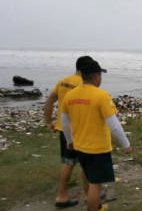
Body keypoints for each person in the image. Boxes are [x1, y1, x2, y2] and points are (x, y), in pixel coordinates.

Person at [60, 59, 132, 211]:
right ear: (97, 76)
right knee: (95, 184)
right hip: (98, 148)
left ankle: (95, 204)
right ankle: (95, 208)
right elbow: (114, 125)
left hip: (80, 146)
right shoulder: (101, 96)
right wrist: (126, 144)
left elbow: (64, 122)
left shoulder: (71, 95)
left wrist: (69, 140)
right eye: (100, 75)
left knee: (89, 176)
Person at [44, 56, 91, 208]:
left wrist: (48, 121)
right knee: (86, 163)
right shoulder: (85, 84)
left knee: (68, 162)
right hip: (79, 129)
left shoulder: (63, 81)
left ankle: (61, 196)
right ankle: (88, 195)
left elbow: (50, 100)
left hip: (63, 128)